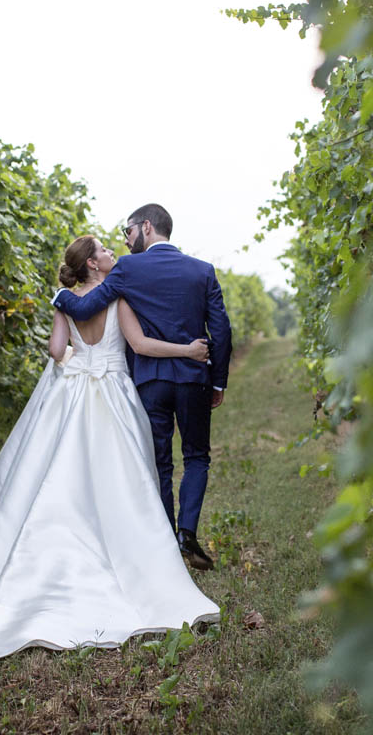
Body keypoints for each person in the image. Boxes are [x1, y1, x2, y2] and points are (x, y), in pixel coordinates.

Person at [0, 235, 220, 666]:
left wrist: (78, 360)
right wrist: (187, 350)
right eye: (106, 252)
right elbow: (139, 347)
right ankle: (136, 564)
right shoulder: (118, 299)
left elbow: (57, 351)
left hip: (75, 397)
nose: (113, 256)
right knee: (125, 482)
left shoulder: (65, 301)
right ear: (94, 265)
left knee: (63, 482)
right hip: (116, 397)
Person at [52, 204, 232, 571]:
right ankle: (187, 533)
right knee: (197, 456)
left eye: (128, 231)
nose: (124, 240)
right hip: (195, 376)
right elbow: (222, 330)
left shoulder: (127, 269)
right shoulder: (203, 271)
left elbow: (87, 308)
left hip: (150, 381)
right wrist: (218, 380)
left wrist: (60, 299)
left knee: (160, 462)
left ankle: (166, 539)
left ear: (146, 227)